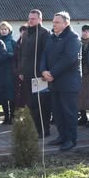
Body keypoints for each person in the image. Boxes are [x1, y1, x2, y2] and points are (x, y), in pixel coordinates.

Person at [40, 11, 81, 151]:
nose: (54, 25)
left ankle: (71, 139)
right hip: (53, 81)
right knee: (57, 112)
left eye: (57, 22)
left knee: (68, 112)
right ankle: (62, 136)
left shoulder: (73, 38)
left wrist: (51, 73)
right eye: (53, 22)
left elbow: (68, 59)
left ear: (66, 23)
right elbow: (44, 55)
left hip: (68, 83)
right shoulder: (52, 37)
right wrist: (43, 70)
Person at [19, 9, 52, 137]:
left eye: (33, 18)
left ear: (40, 20)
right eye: (29, 18)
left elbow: (47, 54)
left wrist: (44, 71)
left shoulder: (45, 33)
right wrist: (21, 70)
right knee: (31, 103)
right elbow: (22, 54)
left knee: (41, 104)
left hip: (39, 74)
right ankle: (34, 128)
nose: (30, 20)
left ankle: (44, 129)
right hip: (27, 74)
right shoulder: (26, 33)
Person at [0, 21, 17, 124]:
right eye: (2, 29)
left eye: (5, 29)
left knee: (11, 95)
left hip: (10, 71)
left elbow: (16, 55)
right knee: (3, 95)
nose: (3, 31)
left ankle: (12, 116)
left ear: (9, 31)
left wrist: (7, 54)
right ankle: (6, 116)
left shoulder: (13, 42)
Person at [13, 24, 31, 109]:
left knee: (27, 95)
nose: (23, 33)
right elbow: (15, 60)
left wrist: (24, 72)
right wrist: (18, 72)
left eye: (25, 31)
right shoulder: (17, 44)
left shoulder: (30, 43)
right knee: (19, 96)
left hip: (28, 74)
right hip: (18, 74)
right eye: (21, 31)